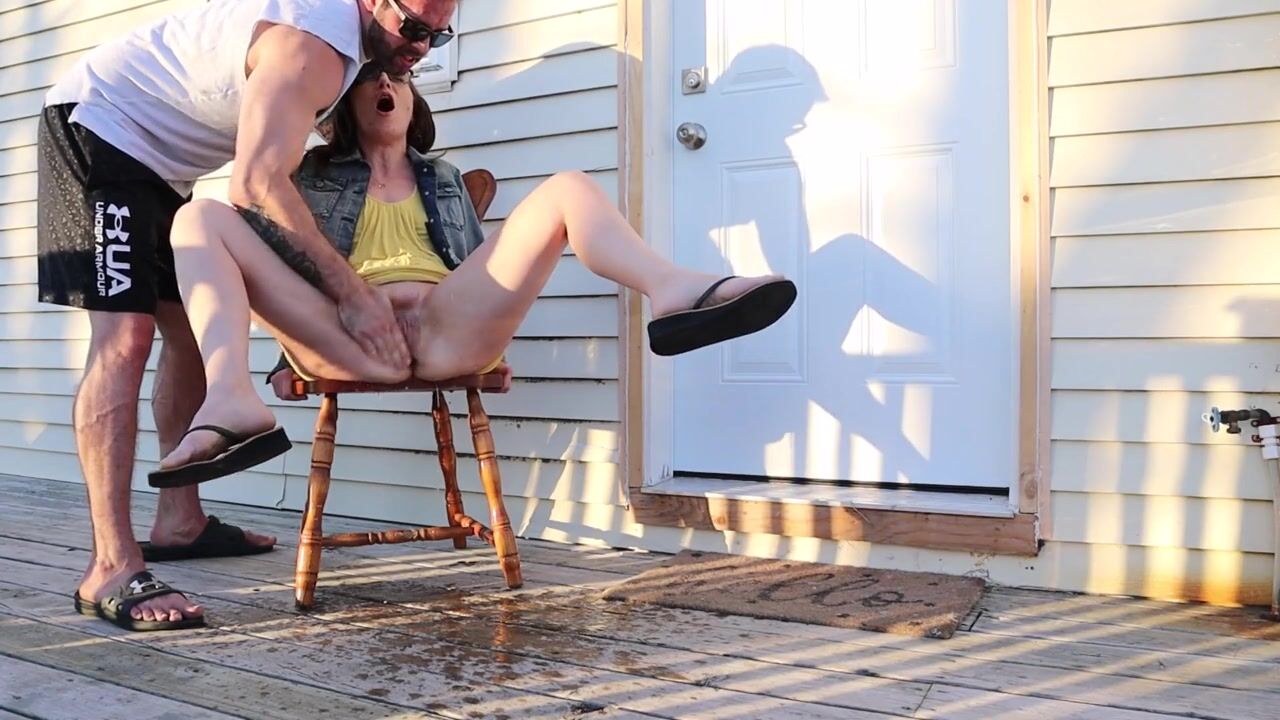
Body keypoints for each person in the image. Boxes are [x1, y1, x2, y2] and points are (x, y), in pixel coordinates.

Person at [152, 67, 797, 488]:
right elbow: (277, 262)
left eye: (399, 78)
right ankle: (231, 396)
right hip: (349, 335)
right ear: (345, 103)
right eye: (370, 79)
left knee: (567, 187)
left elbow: (474, 266)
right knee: (198, 218)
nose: (386, 85)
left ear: (413, 101)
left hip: (446, 330)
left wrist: (489, 337)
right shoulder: (307, 178)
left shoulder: (444, 179)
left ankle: (673, 292)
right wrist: (281, 360)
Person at [39, 0, 459, 632]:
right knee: (124, 337)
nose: (422, 46)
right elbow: (258, 186)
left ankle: (180, 521)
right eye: (415, 27)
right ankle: (111, 566)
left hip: (165, 167)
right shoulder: (312, 46)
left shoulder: (350, 52)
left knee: (191, 333)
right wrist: (352, 295)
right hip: (102, 128)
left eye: (439, 36)